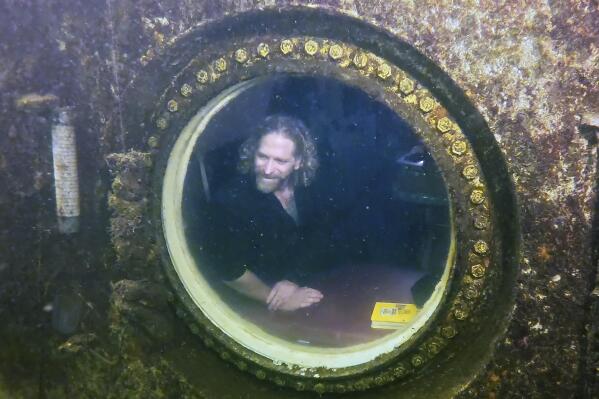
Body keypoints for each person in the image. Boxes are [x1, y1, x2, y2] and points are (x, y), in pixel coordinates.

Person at [206, 115, 329, 312]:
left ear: (298, 162)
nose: (268, 170)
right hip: (252, 304)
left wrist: (292, 279)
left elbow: (320, 235)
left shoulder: (308, 188)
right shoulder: (230, 201)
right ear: (253, 152)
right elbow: (228, 270)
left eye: (280, 161)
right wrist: (278, 302)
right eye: (262, 157)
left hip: (302, 284)